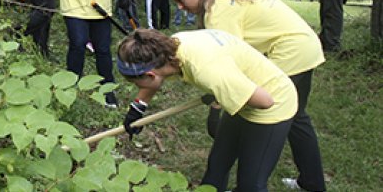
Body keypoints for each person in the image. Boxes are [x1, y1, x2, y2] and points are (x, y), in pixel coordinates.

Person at [169, 0, 327, 192]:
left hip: (291, 51)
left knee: (256, 107)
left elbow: (230, 70)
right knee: (296, 117)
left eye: (181, 0)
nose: (180, 7)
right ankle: (312, 183)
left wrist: (217, 107)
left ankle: (244, 180)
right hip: (305, 44)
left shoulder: (219, 14)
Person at [118, 28, 297, 192]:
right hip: (242, 91)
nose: (137, 87)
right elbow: (152, 82)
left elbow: (265, 101)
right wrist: (137, 108)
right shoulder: (169, 49)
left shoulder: (206, 70)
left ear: (150, 74)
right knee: (217, 167)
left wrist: (226, 94)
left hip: (273, 104)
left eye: (136, 83)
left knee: (251, 183)